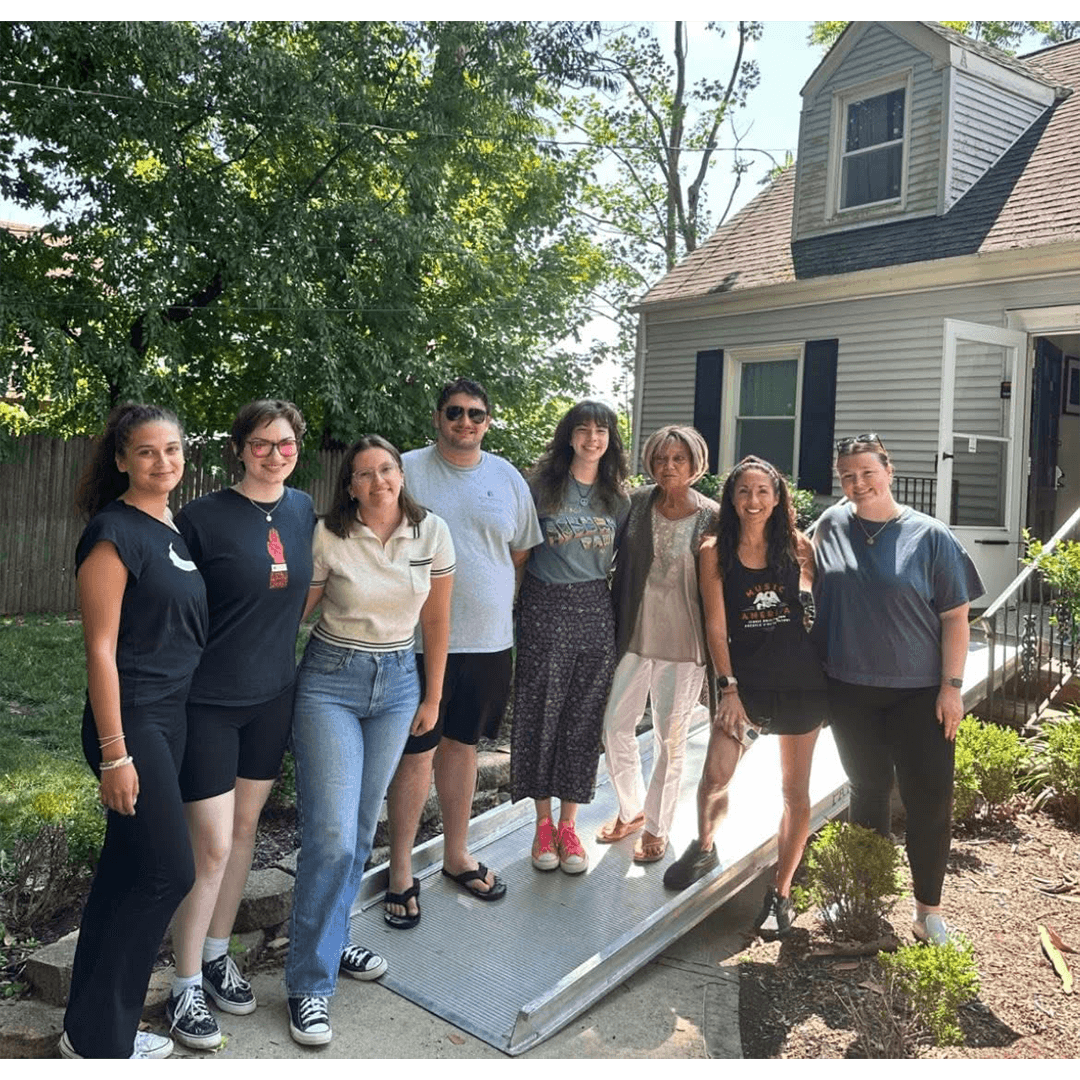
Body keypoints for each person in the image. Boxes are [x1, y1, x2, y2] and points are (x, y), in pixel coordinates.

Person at [285, 435, 454, 1045]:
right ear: (350, 485)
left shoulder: (430, 531)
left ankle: (334, 941)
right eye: (366, 473)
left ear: (400, 475)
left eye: (388, 469)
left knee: (359, 832)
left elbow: (437, 619)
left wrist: (432, 696)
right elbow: (293, 615)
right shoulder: (329, 534)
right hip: (331, 682)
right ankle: (309, 984)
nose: (380, 481)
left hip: (400, 683)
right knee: (330, 835)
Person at [166, 400, 317, 1049]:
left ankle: (216, 954)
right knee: (211, 844)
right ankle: (182, 987)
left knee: (247, 831)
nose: (274, 453)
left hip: (273, 697)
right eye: (262, 443)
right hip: (208, 702)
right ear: (240, 448)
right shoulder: (201, 518)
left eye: (284, 444)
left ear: (297, 449)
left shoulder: (304, 509)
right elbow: (170, 607)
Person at [61, 404, 208, 1060]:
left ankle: (88, 1033)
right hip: (132, 724)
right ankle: (104, 1040)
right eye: (147, 452)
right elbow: (100, 650)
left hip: (168, 723)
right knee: (167, 874)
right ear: (121, 459)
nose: (163, 462)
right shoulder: (112, 533)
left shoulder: (171, 529)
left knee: (124, 875)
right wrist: (117, 754)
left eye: (172, 450)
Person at [812, 433, 984, 946]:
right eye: (848, 476)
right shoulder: (829, 526)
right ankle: (868, 895)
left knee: (928, 799)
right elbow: (802, 577)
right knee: (866, 791)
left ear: (888, 470)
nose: (858, 483)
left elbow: (956, 617)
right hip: (848, 690)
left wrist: (952, 688)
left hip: (919, 693)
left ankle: (927, 911)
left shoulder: (930, 536)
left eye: (867, 472)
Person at [384, 378, 542, 928]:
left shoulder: (506, 477)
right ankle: (400, 870)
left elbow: (518, 553)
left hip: (489, 643)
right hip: (415, 642)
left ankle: (456, 855)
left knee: (463, 748)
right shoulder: (403, 470)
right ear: (438, 417)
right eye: (455, 412)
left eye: (476, 414)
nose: (466, 422)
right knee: (416, 753)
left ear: (488, 421)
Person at [662, 457, 828, 936]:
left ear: (777, 498)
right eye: (743, 492)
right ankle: (705, 845)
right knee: (716, 776)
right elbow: (716, 626)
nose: (753, 501)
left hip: (800, 684)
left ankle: (781, 891)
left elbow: (813, 609)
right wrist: (727, 689)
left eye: (762, 492)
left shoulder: (798, 546)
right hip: (745, 686)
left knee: (795, 793)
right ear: (731, 499)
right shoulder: (714, 550)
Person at [511, 400, 630, 874]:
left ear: (610, 440)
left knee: (582, 719)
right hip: (542, 605)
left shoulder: (618, 498)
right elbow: (517, 552)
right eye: (583, 430)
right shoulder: (539, 486)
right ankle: (541, 825)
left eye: (601, 431)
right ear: (569, 436)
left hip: (593, 611)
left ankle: (569, 826)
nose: (592, 439)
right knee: (541, 712)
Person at [598, 425, 718, 864]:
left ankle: (656, 827)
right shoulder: (636, 503)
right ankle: (632, 810)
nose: (669, 467)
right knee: (614, 724)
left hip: (686, 641)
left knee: (670, 737)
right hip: (634, 630)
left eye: (679, 459)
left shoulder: (712, 515)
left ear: (695, 463)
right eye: (662, 459)